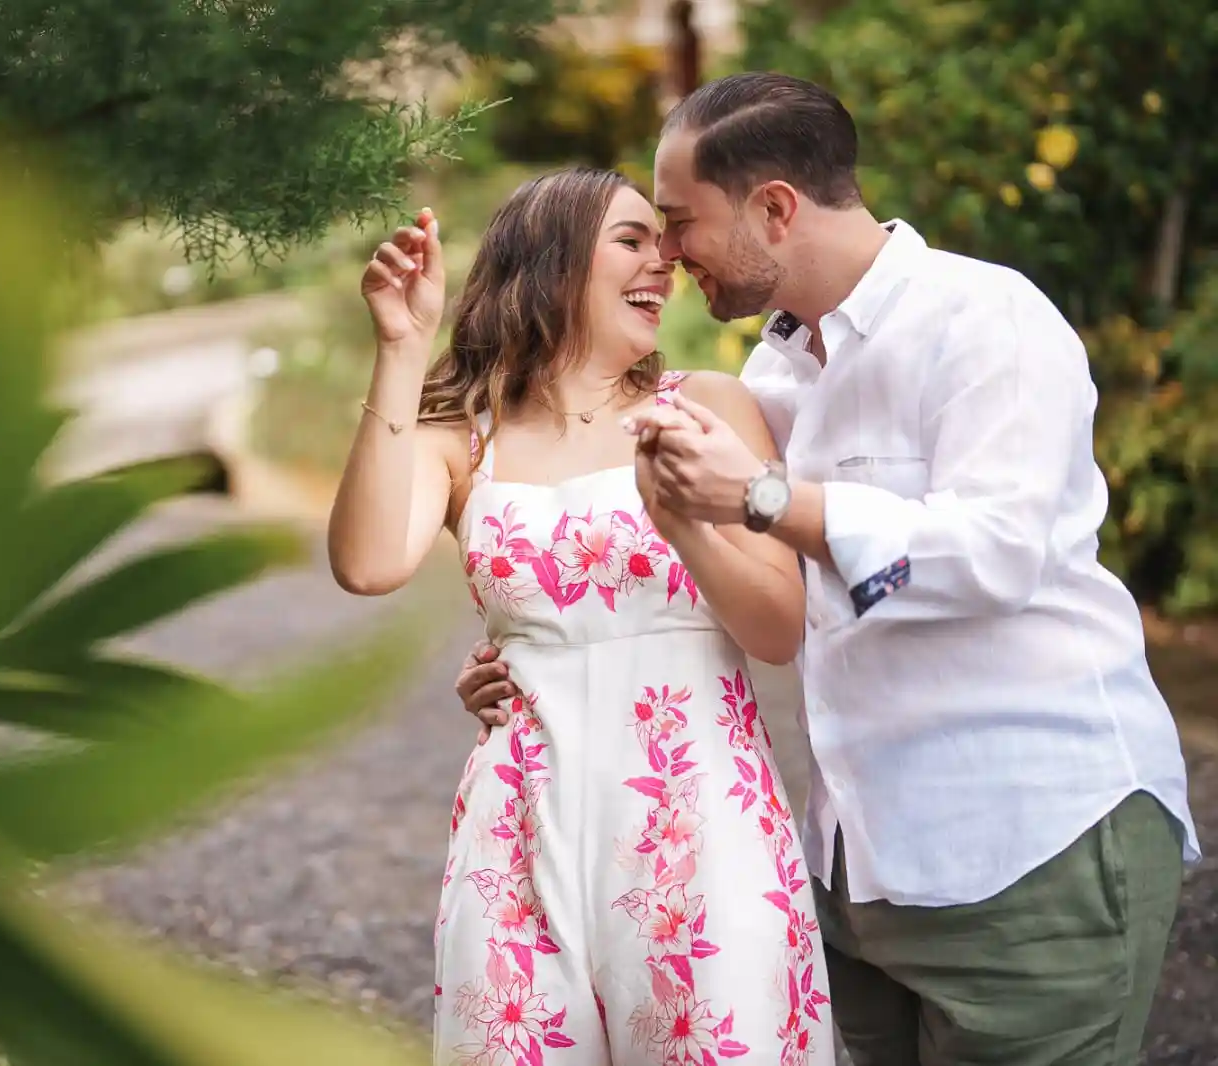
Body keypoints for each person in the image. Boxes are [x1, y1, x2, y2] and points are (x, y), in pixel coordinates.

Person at [453, 73, 1201, 1066]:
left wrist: (762, 497)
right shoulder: (769, 381)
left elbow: (995, 551)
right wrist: (536, 651)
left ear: (774, 208)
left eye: (678, 221)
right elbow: (749, 593)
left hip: (1034, 847)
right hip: (856, 873)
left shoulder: (983, 320)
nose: (665, 254)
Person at [328, 168, 835, 1065]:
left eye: (664, 242)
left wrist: (691, 532)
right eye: (632, 240)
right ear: (552, 261)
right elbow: (368, 565)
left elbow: (778, 630)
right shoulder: (461, 443)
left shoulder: (705, 409)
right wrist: (401, 352)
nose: (664, 262)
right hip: (520, 832)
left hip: (698, 829)